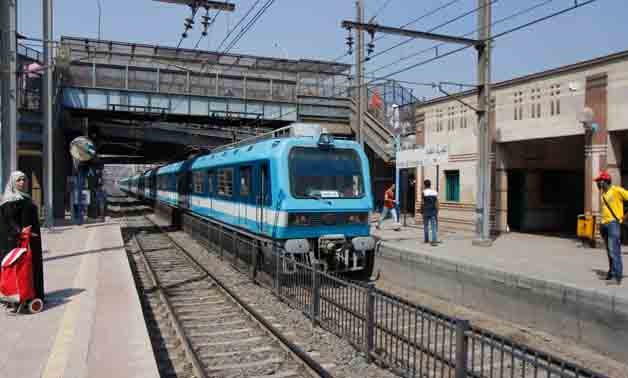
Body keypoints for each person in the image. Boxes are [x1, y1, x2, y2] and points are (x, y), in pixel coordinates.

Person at [0, 171, 45, 303]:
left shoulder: (25, 197)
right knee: (20, 269)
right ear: (13, 182)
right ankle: (20, 297)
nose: (22, 183)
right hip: (20, 241)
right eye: (19, 180)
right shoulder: (10, 200)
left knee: (31, 268)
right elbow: (8, 221)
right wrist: (21, 232)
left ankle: (33, 294)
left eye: (24, 180)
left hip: (31, 239)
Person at [595, 171, 628, 285]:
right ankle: (611, 273)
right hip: (604, 224)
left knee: (614, 251)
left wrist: (624, 216)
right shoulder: (603, 194)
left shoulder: (616, 190)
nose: (597, 184)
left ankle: (617, 277)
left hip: (613, 224)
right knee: (609, 251)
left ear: (604, 181)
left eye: (599, 181)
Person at [422, 179, 439, 246]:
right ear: (430, 184)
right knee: (433, 226)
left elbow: (423, 203)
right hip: (433, 211)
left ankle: (426, 239)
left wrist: (421, 210)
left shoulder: (424, 192)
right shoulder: (435, 192)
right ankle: (434, 240)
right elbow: (437, 202)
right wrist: (437, 210)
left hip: (426, 211)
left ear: (425, 185)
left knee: (426, 226)